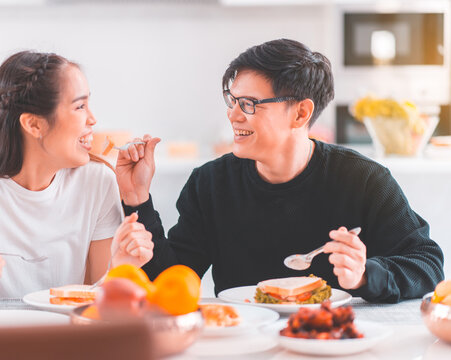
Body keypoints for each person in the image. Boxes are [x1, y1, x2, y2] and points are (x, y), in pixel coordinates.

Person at [114, 39, 444, 303]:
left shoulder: (364, 180)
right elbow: (172, 283)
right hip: (244, 343)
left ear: (300, 114)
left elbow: (427, 264)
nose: (233, 115)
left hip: (334, 342)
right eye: (232, 100)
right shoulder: (210, 184)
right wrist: (137, 198)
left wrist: (365, 275)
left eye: (249, 104)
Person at [0, 51, 153, 299]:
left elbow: (98, 303)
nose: (93, 119)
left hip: (67, 337)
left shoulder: (98, 182)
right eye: (80, 106)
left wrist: (121, 267)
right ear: (34, 125)